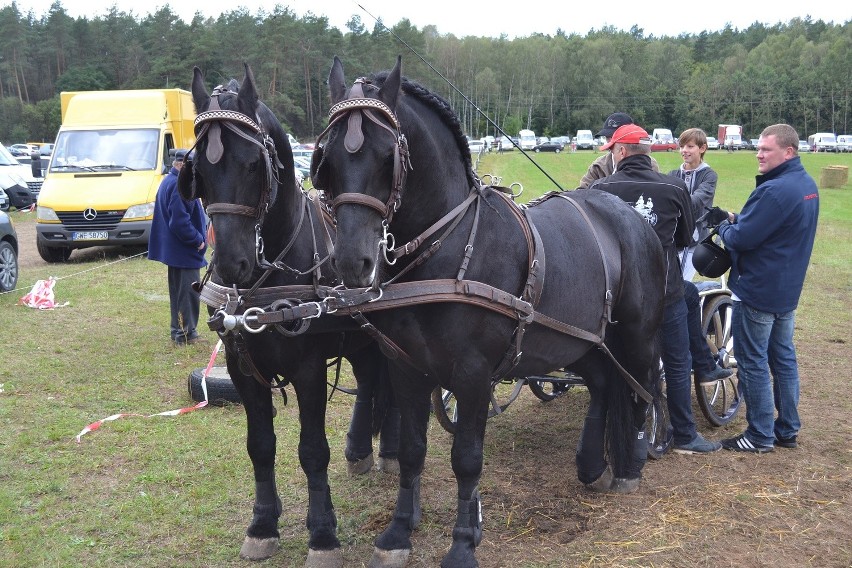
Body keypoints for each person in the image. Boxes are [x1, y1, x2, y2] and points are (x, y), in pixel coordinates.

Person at [588, 124, 720, 454]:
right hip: (664, 292)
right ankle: (685, 435)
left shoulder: (601, 188)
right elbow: (685, 240)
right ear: (647, 153)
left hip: (617, 299)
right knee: (677, 364)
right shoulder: (674, 187)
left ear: (619, 153)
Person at [709, 124, 819, 453]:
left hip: (759, 289)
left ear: (788, 151)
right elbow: (771, 224)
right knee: (783, 359)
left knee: (753, 360)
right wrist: (736, 216)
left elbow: (742, 238)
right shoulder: (805, 184)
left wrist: (722, 227)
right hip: (786, 289)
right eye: (758, 148)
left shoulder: (774, 190)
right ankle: (787, 429)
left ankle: (759, 434)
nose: (759, 153)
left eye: (766, 149)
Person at [669, 127, 733, 386]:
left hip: (694, 243)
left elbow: (697, 203)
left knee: (680, 291)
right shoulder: (673, 174)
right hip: (672, 241)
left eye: (690, 146)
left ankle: (692, 351)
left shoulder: (709, 175)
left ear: (702, 148)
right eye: (683, 146)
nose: (685, 150)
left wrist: (669, 200)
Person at [148, 149, 208, 346]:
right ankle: (186, 334)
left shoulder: (169, 180)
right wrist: (198, 240)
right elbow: (179, 223)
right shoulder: (177, 185)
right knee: (189, 293)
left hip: (176, 251)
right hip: (184, 250)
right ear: (183, 164)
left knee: (179, 293)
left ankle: (179, 331)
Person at [577, 112, 659, 189]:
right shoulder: (599, 166)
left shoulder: (651, 165)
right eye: (607, 137)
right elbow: (581, 193)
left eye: (614, 136)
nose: (610, 142)